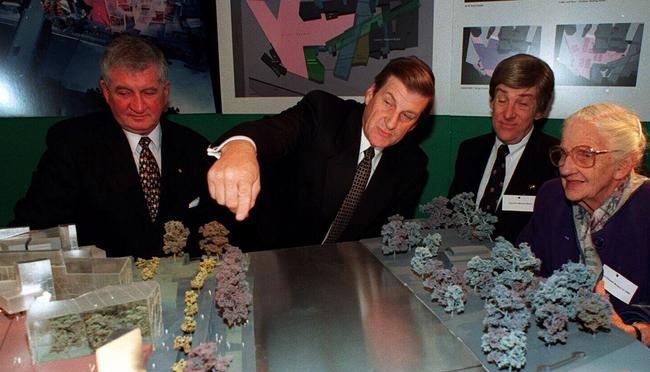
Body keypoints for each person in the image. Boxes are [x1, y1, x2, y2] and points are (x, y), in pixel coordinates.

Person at [12, 35, 218, 257]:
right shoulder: (72, 144)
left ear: (165, 92)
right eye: (124, 93)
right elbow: (34, 227)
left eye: (149, 92)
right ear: (106, 92)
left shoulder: (195, 147)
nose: (138, 106)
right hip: (102, 286)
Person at [206, 56, 435, 250]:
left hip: (340, 278)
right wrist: (241, 147)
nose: (392, 122)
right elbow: (274, 131)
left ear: (414, 125)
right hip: (267, 257)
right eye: (388, 103)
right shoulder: (324, 114)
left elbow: (384, 241)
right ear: (370, 94)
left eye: (407, 116)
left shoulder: (412, 166)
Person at [518, 103, 650, 346]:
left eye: (585, 155)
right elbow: (524, 265)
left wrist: (637, 334)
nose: (566, 168)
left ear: (623, 165)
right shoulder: (551, 196)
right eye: (564, 153)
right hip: (555, 342)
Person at [447, 54, 558, 243]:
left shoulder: (555, 158)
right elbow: (451, 214)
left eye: (522, 103)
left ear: (540, 110)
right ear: (491, 102)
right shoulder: (470, 150)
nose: (508, 114)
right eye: (502, 99)